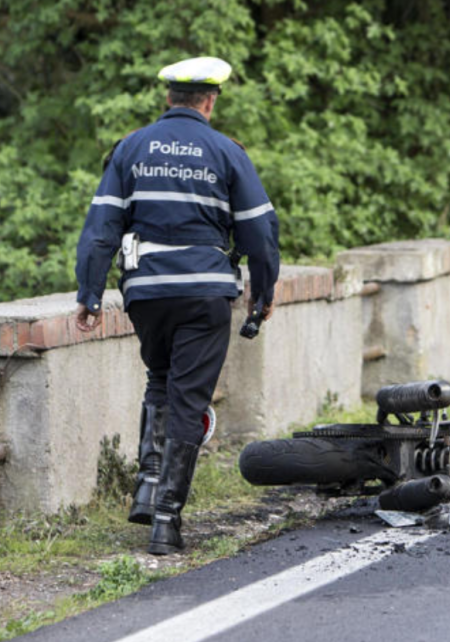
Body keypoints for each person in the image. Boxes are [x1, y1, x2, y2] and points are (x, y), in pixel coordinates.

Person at [73, 56, 279, 556]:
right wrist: (262, 295)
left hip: (146, 292)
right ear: (210, 101)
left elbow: (102, 229)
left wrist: (90, 294)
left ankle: (147, 484)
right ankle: (166, 521)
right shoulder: (227, 151)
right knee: (188, 397)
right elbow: (259, 231)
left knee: (159, 380)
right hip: (205, 293)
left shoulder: (131, 148)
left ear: (168, 98)